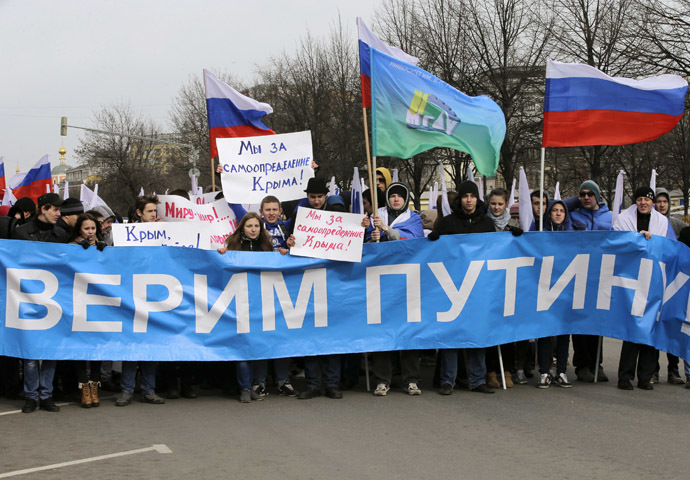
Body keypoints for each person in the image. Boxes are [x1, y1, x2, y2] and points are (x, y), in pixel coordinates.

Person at [429, 181, 498, 395]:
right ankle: (447, 380)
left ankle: (477, 379)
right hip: (452, 285)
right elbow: (434, 253)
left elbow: (495, 252)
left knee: (477, 333)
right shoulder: (447, 223)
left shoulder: (486, 223)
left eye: (473, 196)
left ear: (477, 199)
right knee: (452, 334)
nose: (469, 200)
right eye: (465, 196)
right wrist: (431, 240)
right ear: (460, 198)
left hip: (478, 285)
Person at [364, 182, 424, 396]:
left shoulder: (413, 218)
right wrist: (371, 235)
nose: (396, 199)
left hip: (406, 281)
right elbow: (364, 247)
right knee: (382, 330)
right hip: (380, 281)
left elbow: (413, 242)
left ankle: (411, 379)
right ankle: (382, 380)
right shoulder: (375, 217)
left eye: (400, 196)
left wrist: (387, 230)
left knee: (408, 330)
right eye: (392, 196)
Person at [615, 187, 674, 391]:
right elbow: (617, 243)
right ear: (635, 202)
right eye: (639, 199)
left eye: (647, 200)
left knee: (650, 329)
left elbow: (667, 247)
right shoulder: (623, 219)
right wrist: (636, 240)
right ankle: (625, 376)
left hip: (654, 280)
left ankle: (645, 377)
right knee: (632, 328)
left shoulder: (662, 222)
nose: (643, 203)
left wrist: (653, 241)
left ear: (652, 202)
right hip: (631, 280)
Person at [12, 193, 67, 413]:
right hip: (27, 298)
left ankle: (46, 395)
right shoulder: (21, 233)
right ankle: (31, 396)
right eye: (55, 210)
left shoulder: (61, 234)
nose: (58, 214)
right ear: (44, 209)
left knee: (50, 352)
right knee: (32, 353)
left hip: (54, 300)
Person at [218, 212, 274, 402]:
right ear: (242, 228)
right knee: (242, 346)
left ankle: (257, 385)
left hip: (261, 303)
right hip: (239, 302)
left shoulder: (267, 247)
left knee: (257, 345)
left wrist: (282, 253)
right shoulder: (233, 246)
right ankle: (244, 387)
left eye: (256, 226)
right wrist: (221, 255)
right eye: (249, 226)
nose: (253, 229)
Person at [116, 195, 165, 406]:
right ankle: (127, 390)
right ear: (139, 213)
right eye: (150, 211)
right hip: (131, 295)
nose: (154, 215)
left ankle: (148, 389)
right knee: (131, 346)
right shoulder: (127, 234)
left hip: (154, 295)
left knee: (151, 346)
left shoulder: (164, 232)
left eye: (155, 211)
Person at [565, 180, 612, 382]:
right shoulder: (573, 215)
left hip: (601, 276)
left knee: (597, 323)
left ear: (597, 196)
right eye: (582, 194)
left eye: (590, 194)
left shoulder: (610, 218)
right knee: (579, 324)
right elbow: (556, 205)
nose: (585, 197)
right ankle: (582, 365)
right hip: (578, 276)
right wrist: (574, 200)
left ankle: (597, 365)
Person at [485, 188, 522, 388]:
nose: (496, 207)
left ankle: (507, 369)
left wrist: (520, 237)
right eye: (493, 204)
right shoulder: (484, 224)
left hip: (508, 283)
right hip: (489, 283)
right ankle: (491, 370)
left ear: (506, 204)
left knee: (507, 329)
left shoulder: (513, 224)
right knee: (491, 328)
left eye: (500, 204)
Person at [534, 200, 573, 389]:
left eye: (562, 211)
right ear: (548, 213)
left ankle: (562, 372)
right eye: (554, 210)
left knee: (564, 332)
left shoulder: (572, 235)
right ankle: (544, 371)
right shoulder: (539, 232)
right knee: (545, 332)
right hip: (544, 287)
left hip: (565, 288)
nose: (558, 214)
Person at [68, 213, 106, 407]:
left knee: (97, 346)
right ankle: (84, 386)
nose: (90, 232)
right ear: (79, 230)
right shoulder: (72, 246)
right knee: (81, 346)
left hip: (99, 302)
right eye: (86, 229)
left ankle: (95, 385)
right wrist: (78, 253)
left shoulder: (102, 246)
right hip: (79, 301)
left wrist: (104, 253)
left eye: (93, 228)